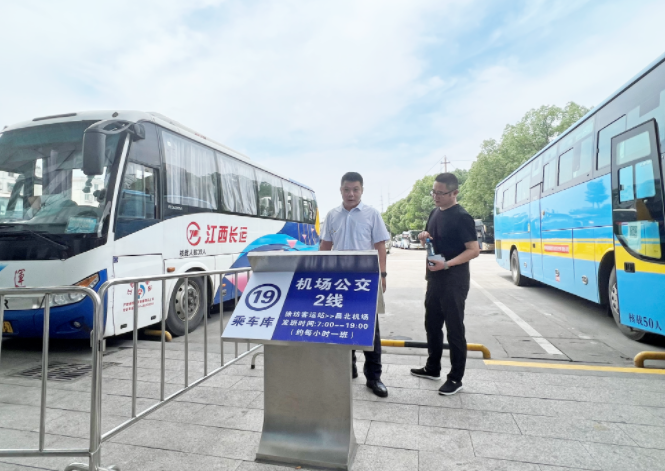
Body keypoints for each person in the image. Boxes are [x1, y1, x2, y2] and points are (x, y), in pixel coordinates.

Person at [320, 172, 390, 398]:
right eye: (347, 189)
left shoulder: (372, 214)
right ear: (340, 190)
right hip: (339, 280)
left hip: (364, 280)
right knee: (341, 324)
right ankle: (347, 366)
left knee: (370, 329)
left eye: (355, 189)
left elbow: (380, 246)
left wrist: (382, 275)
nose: (351, 194)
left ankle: (374, 377)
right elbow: (325, 246)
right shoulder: (332, 215)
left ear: (362, 190)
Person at [410, 173, 479, 395]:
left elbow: (473, 250)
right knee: (431, 324)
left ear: (454, 192)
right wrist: (424, 237)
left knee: (454, 329)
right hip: (434, 279)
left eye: (440, 193)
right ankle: (433, 368)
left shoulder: (462, 217)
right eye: (434, 192)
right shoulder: (434, 213)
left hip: (454, 281)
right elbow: (432, 240)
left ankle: (456, 378)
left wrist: (447, 264)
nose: (435, 196)